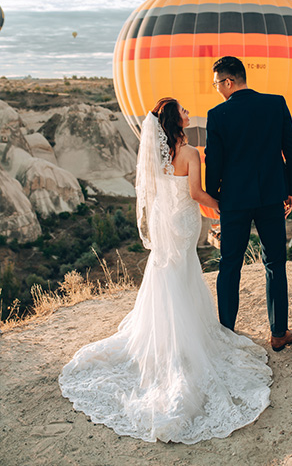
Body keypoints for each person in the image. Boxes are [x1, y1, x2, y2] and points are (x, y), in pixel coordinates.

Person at [59, 97, 272, 444]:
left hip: (163, 222)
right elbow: (197, 193)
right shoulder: (190, 154)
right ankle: (186, 343)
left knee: (166, 274)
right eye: (185, 111)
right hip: (185, 222)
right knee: (186, 272)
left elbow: (155, 193)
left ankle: (168, 336)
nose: (190, 114)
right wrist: (226, 207)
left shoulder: (156, 155)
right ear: (177, 120)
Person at [205, 56, 292, 352]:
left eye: (216, 84)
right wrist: (291, 190)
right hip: (272, 196)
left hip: (235, 200)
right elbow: (291, 151)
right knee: (275, 263)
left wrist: (214, 195)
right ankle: (278, 334)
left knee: (230, 264)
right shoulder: (276, 103)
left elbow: (214, 161)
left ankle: (226, 334)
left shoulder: (217, 114)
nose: (216, 89)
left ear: (228, 82)